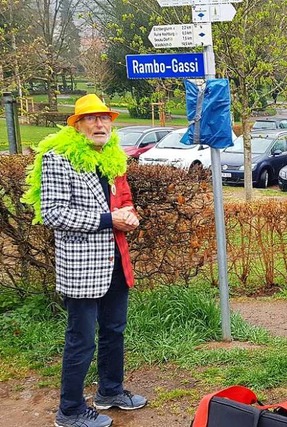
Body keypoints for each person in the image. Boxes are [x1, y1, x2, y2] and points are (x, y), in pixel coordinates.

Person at [22, 94, 147, 427]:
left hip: (116, 260)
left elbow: (124, 200)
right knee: (81, 338)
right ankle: (70, 410)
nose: (100, 124)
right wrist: (110, 220)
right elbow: (53, 213)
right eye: (91, 119)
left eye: (104, 118)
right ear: (76, 125)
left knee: (114, 330)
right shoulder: (57, 158)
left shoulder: (112, 157)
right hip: (82, 267)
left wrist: (130, 216)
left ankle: (109, 391)